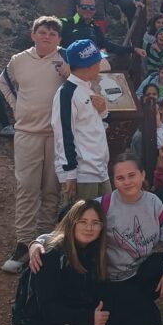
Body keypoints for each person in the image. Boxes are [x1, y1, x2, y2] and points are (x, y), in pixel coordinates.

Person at [29, 152, 163, 325]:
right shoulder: (104, 205)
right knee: (140, 318)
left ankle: (141, 304)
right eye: (120, 178)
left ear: (142, 175)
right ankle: (138, 313)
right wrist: (38, 242)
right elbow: (71, 227)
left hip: (138, 272)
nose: (127, 182)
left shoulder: (153, 203)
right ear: (113, 181)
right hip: (109, 279)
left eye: (132, 175)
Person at [15, 199, 146, 325]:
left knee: (134, 301)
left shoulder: (93, 251)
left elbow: (94, 291)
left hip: (77, 313)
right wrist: (88, 318)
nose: (89, 228)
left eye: (95, 223)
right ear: (72, 223)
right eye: (82, 222)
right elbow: (48, 310)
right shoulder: (51, 255)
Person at [0, 16, 68, 274]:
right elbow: (3, 82)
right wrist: (18, 108)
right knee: (26, 188)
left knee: (51, 190)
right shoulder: (18, 61)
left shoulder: (65, 59)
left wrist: (69, 72)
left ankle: (45, 243)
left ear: (59, 39)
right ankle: (24, 244)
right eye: (43, 31)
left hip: (56, 135)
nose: (47, 36)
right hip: (27, 133)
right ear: (33, 35)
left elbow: (100, 66)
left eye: (52, 33)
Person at [52, 39, 111, 203]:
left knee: (105, 218)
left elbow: (96, 125)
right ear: (90, 65)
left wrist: (104, 111)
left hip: (99, 168)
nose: (100, 65)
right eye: (98, 61)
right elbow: (62, 133)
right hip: (82, 171)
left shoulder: (88, 88)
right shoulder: (66, 93)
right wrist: (70, 172)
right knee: (82, 224)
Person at [61, 0, 147, 58]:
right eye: (84, 7)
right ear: (77, 8)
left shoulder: (94, 27)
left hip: (87, 71)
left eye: (92, 8)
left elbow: (107, 45)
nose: (88, 10)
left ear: (95, 10)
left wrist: (133, 49)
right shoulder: (65, 23)